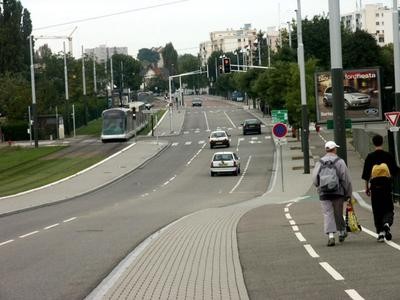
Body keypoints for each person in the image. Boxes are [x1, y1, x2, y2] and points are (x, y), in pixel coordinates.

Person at [312, 141, 353, 246]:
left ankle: (330, 236)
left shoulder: (320, 162)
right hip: (337, 192)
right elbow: (346, 179)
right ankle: (341, 232)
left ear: (326, 149)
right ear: (334, 149)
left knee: (327, 213)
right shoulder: (340, 161)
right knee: (338, 213)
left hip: (324, 193)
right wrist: (348, 193)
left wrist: (319, 186)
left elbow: (315, 179)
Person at [361, 134, 398, 242]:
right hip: (386, 186)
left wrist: (367, 188)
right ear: (382, 142)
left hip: (375, 187)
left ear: (373, 143)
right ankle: (387, 223)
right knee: (388, 208)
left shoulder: (370, 156)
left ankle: (381, 233)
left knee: (377, 209)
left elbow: (366, 175)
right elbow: (395, 171)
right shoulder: (388, 155)